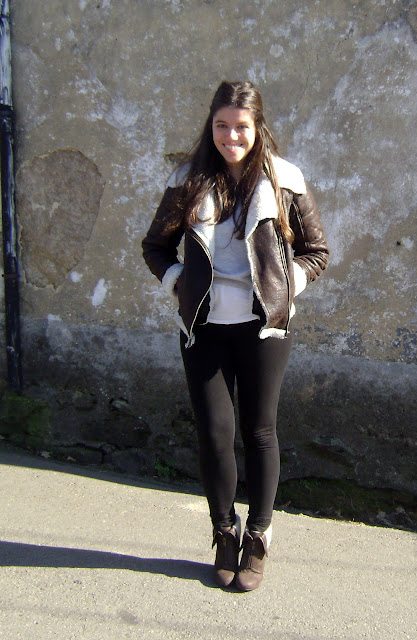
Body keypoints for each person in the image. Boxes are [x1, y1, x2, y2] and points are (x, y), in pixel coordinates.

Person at [142, 80, 329, 591]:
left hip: (264, 327)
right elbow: (155, 246)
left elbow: (317, 251)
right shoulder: (187, 180)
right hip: (203, 327)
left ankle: (260, 536)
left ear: (257, 126)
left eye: (241, 126)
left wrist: (285, 287)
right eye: (221, 126)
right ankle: (225, 532)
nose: (231, 136)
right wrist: (178, 283)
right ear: (211, 126)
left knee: (260, 431)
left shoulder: (285, 179)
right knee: (213, 433)